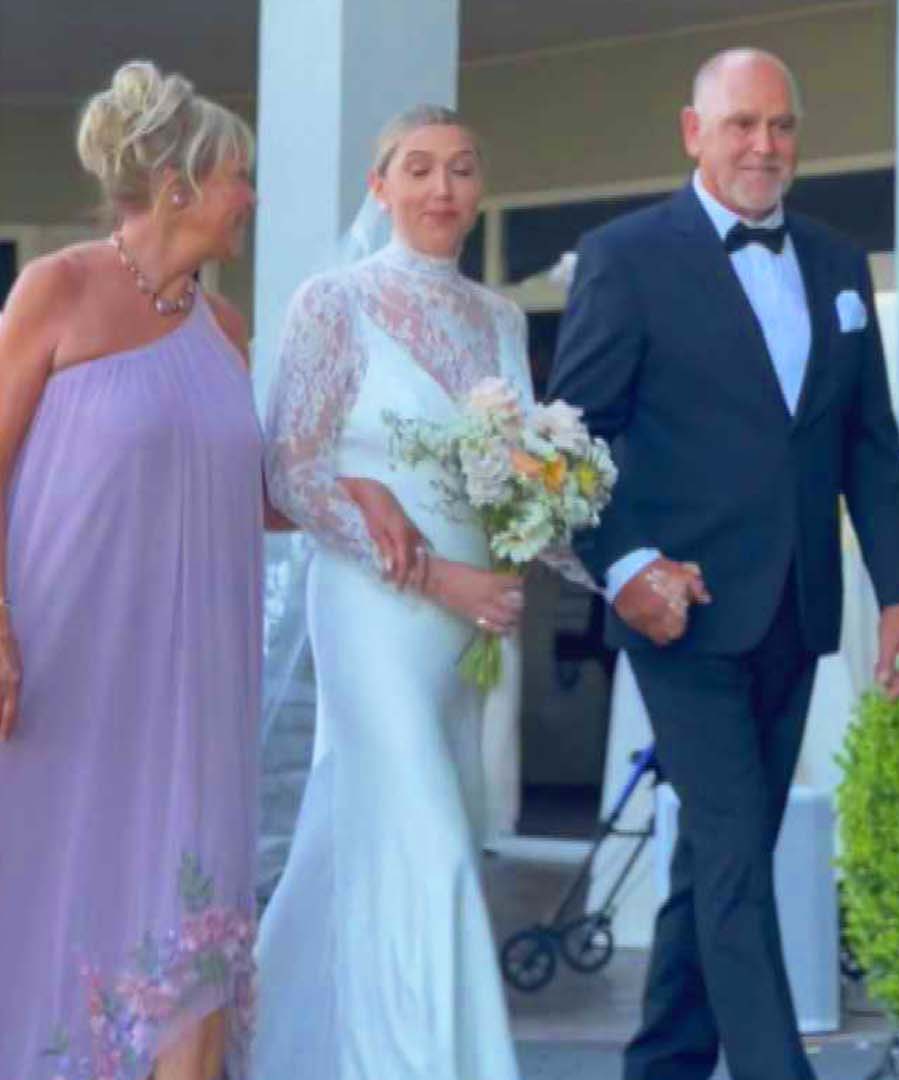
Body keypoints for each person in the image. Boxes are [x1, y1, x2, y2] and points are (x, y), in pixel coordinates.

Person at [547, 47, 899, 1080]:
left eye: (782, 126)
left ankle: (663, 1065)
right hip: (682, 617)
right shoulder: (625, 256)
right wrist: (628, 567)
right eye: (741, 125)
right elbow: (567, 446)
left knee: (723, 859)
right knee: (730, 859)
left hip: (797, 609)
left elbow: (868, 446)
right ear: (692, 133)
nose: (764, 145)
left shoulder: (841, 265)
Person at [252, 105, 537, 1080]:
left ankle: (284, 1046)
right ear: (379, 187)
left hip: (464, 636)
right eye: (417, 169)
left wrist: (528, 560)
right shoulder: (332, 302)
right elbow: (290, 473)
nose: (442, 189)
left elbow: (530, 474)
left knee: (360, 838)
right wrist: (443, 577)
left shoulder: (502, 318)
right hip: (374, 612)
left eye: (461, 168)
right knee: (432, 841)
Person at [0, 60, 263, 1080]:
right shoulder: (54, 290)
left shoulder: (228, 333)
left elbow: (262, 496)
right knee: (59, 902)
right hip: (64, 675)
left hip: (199, 683)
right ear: (179, 186)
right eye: (239, 175)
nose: (251, 197)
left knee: (195, 926)